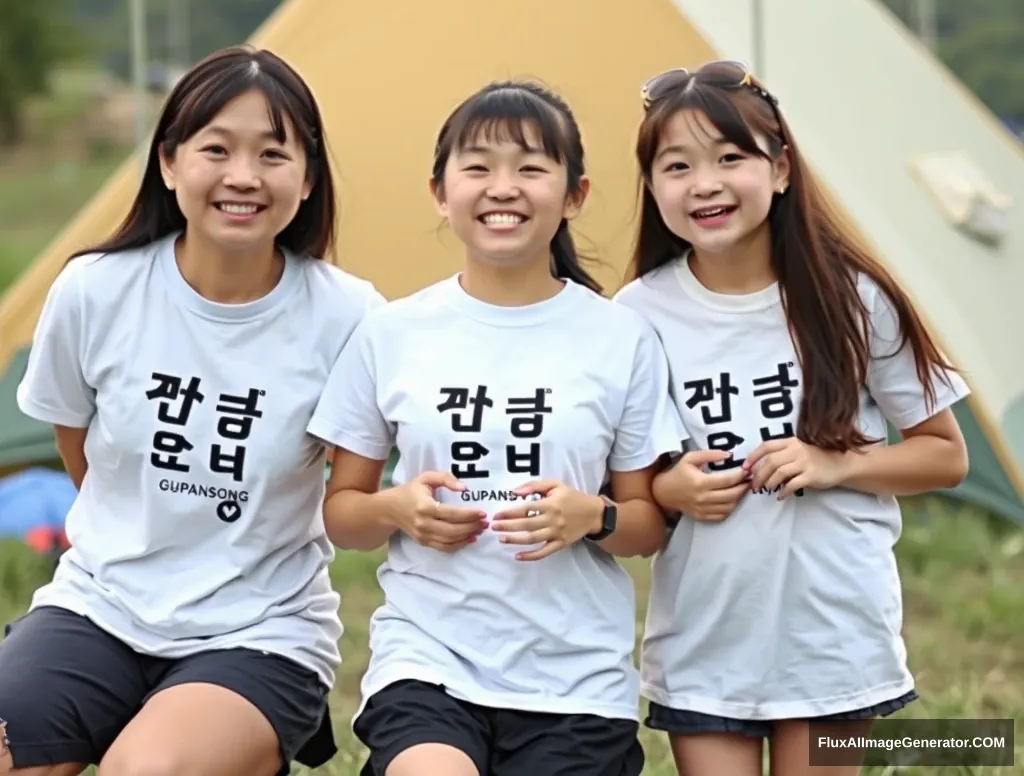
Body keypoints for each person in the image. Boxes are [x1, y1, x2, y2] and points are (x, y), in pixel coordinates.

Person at [0, 47, 384, 776]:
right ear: (170, 162)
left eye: (273, 153)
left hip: (259, 632)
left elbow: (359, 484)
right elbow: (73, 435)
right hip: (99, 608)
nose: (243, 176)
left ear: (306, 178)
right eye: (217, 149)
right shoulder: (95, 290)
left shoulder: (349, 315)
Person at [307, 80, 687, 776]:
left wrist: (590, 516)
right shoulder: (391, 332)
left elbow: (646, 525)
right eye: (478, 168)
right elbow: (344, 515)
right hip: (429, 662)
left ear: (575, 195)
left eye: (532, 168)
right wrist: (396, 508)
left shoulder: (620, 337)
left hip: (575, 684)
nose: (502, 188)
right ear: (440, 192)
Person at [613, 60, 971, 776]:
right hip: (707, 640)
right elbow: (630, 484)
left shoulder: (853, 297)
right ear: (653, 189)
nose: (704, 183)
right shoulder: (635, 314)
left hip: (833, 638)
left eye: (730, 158)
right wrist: (669, 490)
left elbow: (944, 455)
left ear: (780, 170)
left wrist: (837, 463)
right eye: (676, 165)